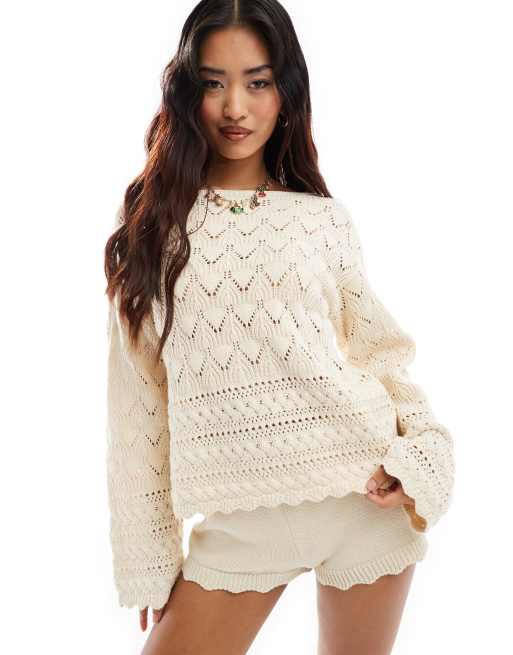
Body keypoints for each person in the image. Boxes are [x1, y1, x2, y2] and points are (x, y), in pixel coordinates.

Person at [104, 1, 455, 653]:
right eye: (213, 82)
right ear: (186, 92)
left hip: (364, 499)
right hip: (240, 523)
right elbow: (138, 406)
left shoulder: (323, 221)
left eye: (258, 82)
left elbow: (381, 356)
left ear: (285, 92)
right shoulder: (152, 234)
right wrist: (149, 556)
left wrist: (422, 458)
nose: (234, 106)